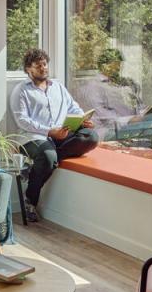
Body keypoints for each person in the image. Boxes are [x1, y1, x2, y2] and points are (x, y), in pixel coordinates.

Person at [9, 48, 99, 222]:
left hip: (61, 134)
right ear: (28, 69)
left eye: (45, 64)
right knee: (48, 157)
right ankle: (30, 201)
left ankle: (37, 167)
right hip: (33, 137)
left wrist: (83, 120)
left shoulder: (57, 86)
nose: (43, 68)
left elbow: (73, 107)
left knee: (91, 137)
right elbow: (22, 120)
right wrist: (50, 132)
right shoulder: (21, 90)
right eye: (38, 65)